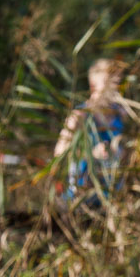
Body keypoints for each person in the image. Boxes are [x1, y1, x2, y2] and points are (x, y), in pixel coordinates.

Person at [54, 59, 127, 205]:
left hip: (113, 199)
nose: (114, 87)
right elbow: (59, 153)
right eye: (109, 82)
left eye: (116, 81)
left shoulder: (121, 114)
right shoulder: (79, 116)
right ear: (93, 85)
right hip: (81, 198)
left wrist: (121, 152)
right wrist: (91, 154)